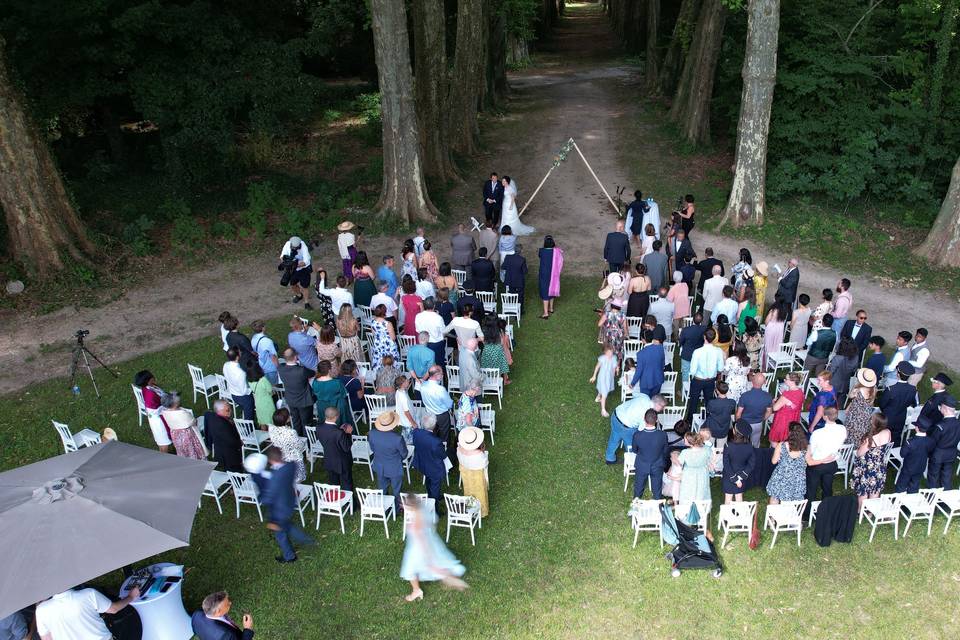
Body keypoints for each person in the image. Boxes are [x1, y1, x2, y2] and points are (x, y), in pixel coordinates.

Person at [248, 447, 315, 563]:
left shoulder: (274, 478)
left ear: (270, 460)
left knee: (281, 532)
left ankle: (291, 554)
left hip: (280, 509)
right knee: (287, 526)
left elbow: (268, 498)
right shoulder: (290, 466)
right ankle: (305, 542)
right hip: (289, 500)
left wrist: (262, 497)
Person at [400, 495, 468, 602]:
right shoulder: (423, 511)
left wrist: (426, 554)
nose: (403, 506)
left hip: (418, 548)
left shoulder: (416, 522)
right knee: (434, 565)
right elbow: (433, 523)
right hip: (431, 540)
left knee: (412, 569)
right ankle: (448, 578)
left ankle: (417, 590)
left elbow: (420, 539)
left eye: (405, 505)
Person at [36, 586, 140, 640]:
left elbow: (46, 639)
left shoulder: (41, 610)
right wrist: (131, 597)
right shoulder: (88, 594)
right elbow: (114, 609)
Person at [604, 393, 668, 463]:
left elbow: (634, 393)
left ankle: (609, 458)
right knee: (631, 445)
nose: (663, 409)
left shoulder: (645, 397)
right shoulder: (647, 414)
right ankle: (632, 461)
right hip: (626, 427)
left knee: (614, 438)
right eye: (663, 407)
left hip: (616, 415)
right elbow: (640, 431)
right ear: (658, 405)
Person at [805, 407, 846, 502]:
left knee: (811, 489)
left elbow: (811, 450)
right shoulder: (842, 429)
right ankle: (826, 509)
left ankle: (807, 514)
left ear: (825, 417)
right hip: (832, 463)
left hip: (817, 464)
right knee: (827, 488)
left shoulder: (817, 433)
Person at [369, 411, 408, 509]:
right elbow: (404, 454)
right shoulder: (397, 438)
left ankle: (384, 507)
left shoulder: (372, 433)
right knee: (396, 489)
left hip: (379, 465)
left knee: (382, 488)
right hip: (394, 467)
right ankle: (397, 508)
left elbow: (372, 448)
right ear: (393, 425)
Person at [851, 414, 892, 508]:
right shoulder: (887, 432)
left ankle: (860, 511)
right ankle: (870, 511)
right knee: (875, 490)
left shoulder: (869, 439)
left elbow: (859, 454)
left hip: (866, 468)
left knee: (863, 492)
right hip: (879, 466)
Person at [411, 414, 448, 512]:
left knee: (428, 481)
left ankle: (431, 494)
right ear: (435, 425)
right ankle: (435, 509)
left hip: (423, 463)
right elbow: (442, 455)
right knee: (435, 486)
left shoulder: (416, 433)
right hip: (434, 468)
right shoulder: (436, 442)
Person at [686, 328, 725, 419]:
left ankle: (690, 421)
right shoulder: (718, 351)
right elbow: (720, 368)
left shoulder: (697, 352)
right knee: (709, 401)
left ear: (704, 337)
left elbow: (692, 371)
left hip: (698, 380)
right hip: (710, 380)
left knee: (694, 402)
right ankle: (708, 420)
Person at [878, 362, 919, 446]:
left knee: (882, 438)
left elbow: (882, 404)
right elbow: (915, 404)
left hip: (888, 418)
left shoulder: (891, 389)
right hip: (901, 417)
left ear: (898, 374)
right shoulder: (913, 390)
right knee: (895, 439)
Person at [767, 422, 808, 504]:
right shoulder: (806, 447)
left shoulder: (781, 445)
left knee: (775, 497)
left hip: (782, 476)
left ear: (789, 432)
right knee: (793, 501)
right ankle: (789, 515)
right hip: (798, 478)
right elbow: (806, 462)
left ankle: (772, 516)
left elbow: (774, 461)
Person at [631, 409, 668, 499]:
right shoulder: (663, 435)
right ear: (657, 420)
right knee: (657, 490)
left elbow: (634, 450)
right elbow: (665, 451)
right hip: (657, 465)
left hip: (642, 465)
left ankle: (635, 507)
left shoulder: (637, 435)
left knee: (638, 489)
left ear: (644, 419)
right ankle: (658, 509)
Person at [277, 348, 315, 436]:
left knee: (296, 421)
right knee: (306, 423)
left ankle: (299, 439)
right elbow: (312, 373)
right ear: (295, 357)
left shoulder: (281, 368)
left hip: (291, 400)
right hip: (304, 401)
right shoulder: (301, 370)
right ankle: (308, 443)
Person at [316, 407, 354, 490]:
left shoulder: (319, 428)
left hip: (329, 460)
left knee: (334, 484)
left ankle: (336, 500)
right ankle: (350, 502)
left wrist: (340, 430)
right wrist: (348, 434)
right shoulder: (339, 433)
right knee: (347, 483)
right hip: (342, 463)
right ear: (336, 417)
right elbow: (346, 447)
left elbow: (329, 438)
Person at [928, 396, 960, 490]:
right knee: (947, 477)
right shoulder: (958, 423)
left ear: (945, 408)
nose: (940, 408)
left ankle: (931, 498)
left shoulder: (941, 426)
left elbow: (933, 442)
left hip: (938, 454)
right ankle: (945, 499)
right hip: (952, 453)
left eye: (941, 406)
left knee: (933, 477)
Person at [895, 420, 935, 493]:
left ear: (917, 428)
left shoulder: (910, 442)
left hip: (908, 468)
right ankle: (911, 499)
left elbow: (902, 454)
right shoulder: (930, 441)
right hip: (921, 467)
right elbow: (930, 451)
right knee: (914, 486)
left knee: (901, 486)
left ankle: (898, 501)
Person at [135, 369, 170, 453]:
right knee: (164, 442)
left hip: (158, 415)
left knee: (162, 442)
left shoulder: (149, 387)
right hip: (159, 421)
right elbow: (154, 411)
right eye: (151, 377)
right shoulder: (149, 395)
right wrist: (168, 405)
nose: (154, 377)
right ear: (148, 380)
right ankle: (163, 460)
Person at [202, 400, 243, 471]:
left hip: (222, 450)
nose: (230, 411)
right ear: (219, 411)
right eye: (227, 410)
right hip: (229, 456)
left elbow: (207, 413)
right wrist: (240, 443)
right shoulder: (222, 425)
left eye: (230, 408)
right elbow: (232, 441)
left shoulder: (214, 417)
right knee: (236, 473)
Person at [268, 408, 306, 482]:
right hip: (294, 459)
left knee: (286, 480)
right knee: (296, 481)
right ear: (287, 419)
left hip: (280, 457)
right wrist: (303, 443)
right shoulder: (291, 432)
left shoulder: (271, 428)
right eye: (289, 416)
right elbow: (299, 446)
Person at [457, 426, 489, 515]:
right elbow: (485, 463)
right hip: (477, 474)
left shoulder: (459, 449)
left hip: (465, 473)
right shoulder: (479, 455)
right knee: (479, 491)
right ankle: (482, 511)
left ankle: (470, 508)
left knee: (469, 489)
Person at [736, 372, 773, 447]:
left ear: (752, 381)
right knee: (755, 445)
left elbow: (738, 413)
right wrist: (762, 419)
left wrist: (738, 424)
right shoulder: (768, 396)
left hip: (744, 424)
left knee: (742, 444)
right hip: (758, 424)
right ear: (763, 383)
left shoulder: (745, 396)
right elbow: (769, 412)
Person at [312, 361, 352, 429]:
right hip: (337, 406)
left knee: (325, 426)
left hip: (322, 407)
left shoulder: (315, 382)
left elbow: (315, 394)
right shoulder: (336, 382)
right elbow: (344, 394)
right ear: (329, 370)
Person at [722, 421, 755, 503]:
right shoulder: (750, 446)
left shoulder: (728, 446)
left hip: (729, 475)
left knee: (728, 498)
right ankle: (740, 515)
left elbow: (726, 464)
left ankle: (726, 516)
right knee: (739, 496)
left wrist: (734, 478)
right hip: (742, 474)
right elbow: (751, 464)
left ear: (734, 431)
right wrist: (741, 477)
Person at [844, 368, 877, 446]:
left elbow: (850, 396)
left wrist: (856, 385)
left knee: (850, 433)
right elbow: (870, 402)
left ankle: (846, 450)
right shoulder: (874, 389)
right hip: (866, 416)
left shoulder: (858, 389)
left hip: (856, 414)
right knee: (860, 434)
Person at [279, 235, 312, 310]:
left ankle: (306, 302)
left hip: (304, 269)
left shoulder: (303, 246)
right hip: (292, 269)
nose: (294, 248)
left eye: (296, 247)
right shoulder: (287, 244)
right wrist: (287, 263)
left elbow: (306, 261)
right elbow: (282, 257)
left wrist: (295, 264)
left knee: (304, 286)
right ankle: (299, 295)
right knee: (293, 284)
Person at [769, 372, 803, 443]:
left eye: (786, 379)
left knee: (774, 441)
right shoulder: (800, 392)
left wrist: (773, 402)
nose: (784, 380)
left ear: (792, 381)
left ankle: (776, 452)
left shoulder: (786, 395)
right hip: (793, 419)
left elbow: (774, 408)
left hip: (783, 420)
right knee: (788, 440)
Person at [677, 432, 711, 502]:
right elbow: (711, 460)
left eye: (685, 439)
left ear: (690, 442)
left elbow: (679, 463)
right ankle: (702, 510)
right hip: (702, 474)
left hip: (689, 475)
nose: (684, 440)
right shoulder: (707, 449)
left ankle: (688, 510)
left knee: (688, 493)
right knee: (702, 492)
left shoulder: (685, 452)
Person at [630, 329, 665, 398]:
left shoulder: (641, 354)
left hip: (646, 382)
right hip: (658, 379)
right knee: (655, 402)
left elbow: (639, 371)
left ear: (643, 340)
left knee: (645, 402)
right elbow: (662, 364)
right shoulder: (660, 348)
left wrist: (632, 383)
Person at [222, 347, 254, 421]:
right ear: (237, 357)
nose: (241, 353)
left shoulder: (226, 365)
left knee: (246, 413)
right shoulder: (240, 373)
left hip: (233, 393)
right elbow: (244, 391)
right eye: (239, 352)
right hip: (244, 397)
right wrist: (252, 389)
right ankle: (249, 430)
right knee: (249, 418)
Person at [827, 338, 860, 405]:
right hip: (845, 383)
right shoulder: (856, 357)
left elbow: (831, 372)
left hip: (834, 383)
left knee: (829, 402)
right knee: (840, 401)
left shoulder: (837, 358)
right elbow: (854, 370)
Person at [538, 236, 563, 319]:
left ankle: (545, 313)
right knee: (552, 289)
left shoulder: (542, 251)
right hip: (554, 274)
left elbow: (540, 256)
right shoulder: (556, 251)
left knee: (545, 292)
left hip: (544, 274)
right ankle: (551, 308)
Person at [591, 343, 619, 418]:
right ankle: (603, 410)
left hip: (609, 377)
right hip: (603, 377)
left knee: (603, 389)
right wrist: (594, 376)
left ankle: (598, 396)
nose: (610, 354)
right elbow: (597, 367)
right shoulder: (602, 358)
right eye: (609, 352)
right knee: (605, 393)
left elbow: (614, 366)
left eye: (612, 352)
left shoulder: (613, 358)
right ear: (605, 352)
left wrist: (616, 370)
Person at [677, 311, 706, 383]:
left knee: (685, 373)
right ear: (701, 320)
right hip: (699, 355)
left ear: (693, 319)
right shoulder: (704, 329)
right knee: (697, 372)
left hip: (687, 354)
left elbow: (681, 342)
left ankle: (685, 391)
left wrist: (682, 344)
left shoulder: (686, 330)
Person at [705, 381, 736, 447]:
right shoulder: (732, 402)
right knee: (721, 450)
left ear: (717, 391)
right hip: (724, 429)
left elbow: (708, 411)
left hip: (712, 428)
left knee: (709, 447)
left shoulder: (712, 403)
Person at [243, 361, 273, 428]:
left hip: (258, 403)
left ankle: (264, 436)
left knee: (262, 421)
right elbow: (270, 390)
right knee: (270, 421)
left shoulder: (249, 381)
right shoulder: (263, 380)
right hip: (267, 402)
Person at [597, 300, 627, 364]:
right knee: (618, 350)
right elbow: (625, 327)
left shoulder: (607, 314)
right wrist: (626, 335)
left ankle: (608, 363)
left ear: (611, 306)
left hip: (609, 334)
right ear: (619, 307)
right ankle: (617, 367)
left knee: (609, 348)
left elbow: (599, 324)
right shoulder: (623, 315)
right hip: (619, 335)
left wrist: (602, 318)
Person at [336, 360, 365, 426]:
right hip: (353, 405)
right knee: (366, 394)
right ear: (353, 370)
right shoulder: (355, 381)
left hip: (342, 402)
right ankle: (365, 415)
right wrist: (362, 384)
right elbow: (360, 396)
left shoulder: (338, 378)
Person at [250, 320, 279, 385]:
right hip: (270, 367)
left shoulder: (253, 338)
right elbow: (273, 356)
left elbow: (254, 352)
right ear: (263, 328)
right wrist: (278, 367)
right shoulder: (267, 341)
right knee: (274, 385)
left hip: (261, 365)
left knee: (266, 384)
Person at [762, 298, 788, 369]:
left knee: (768, 344)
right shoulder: (784, 311)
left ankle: (767, 363)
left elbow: (766, 322)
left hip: (771, 329)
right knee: (776, 345)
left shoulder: (773, 311)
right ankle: (773, 362)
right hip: (779, 330)